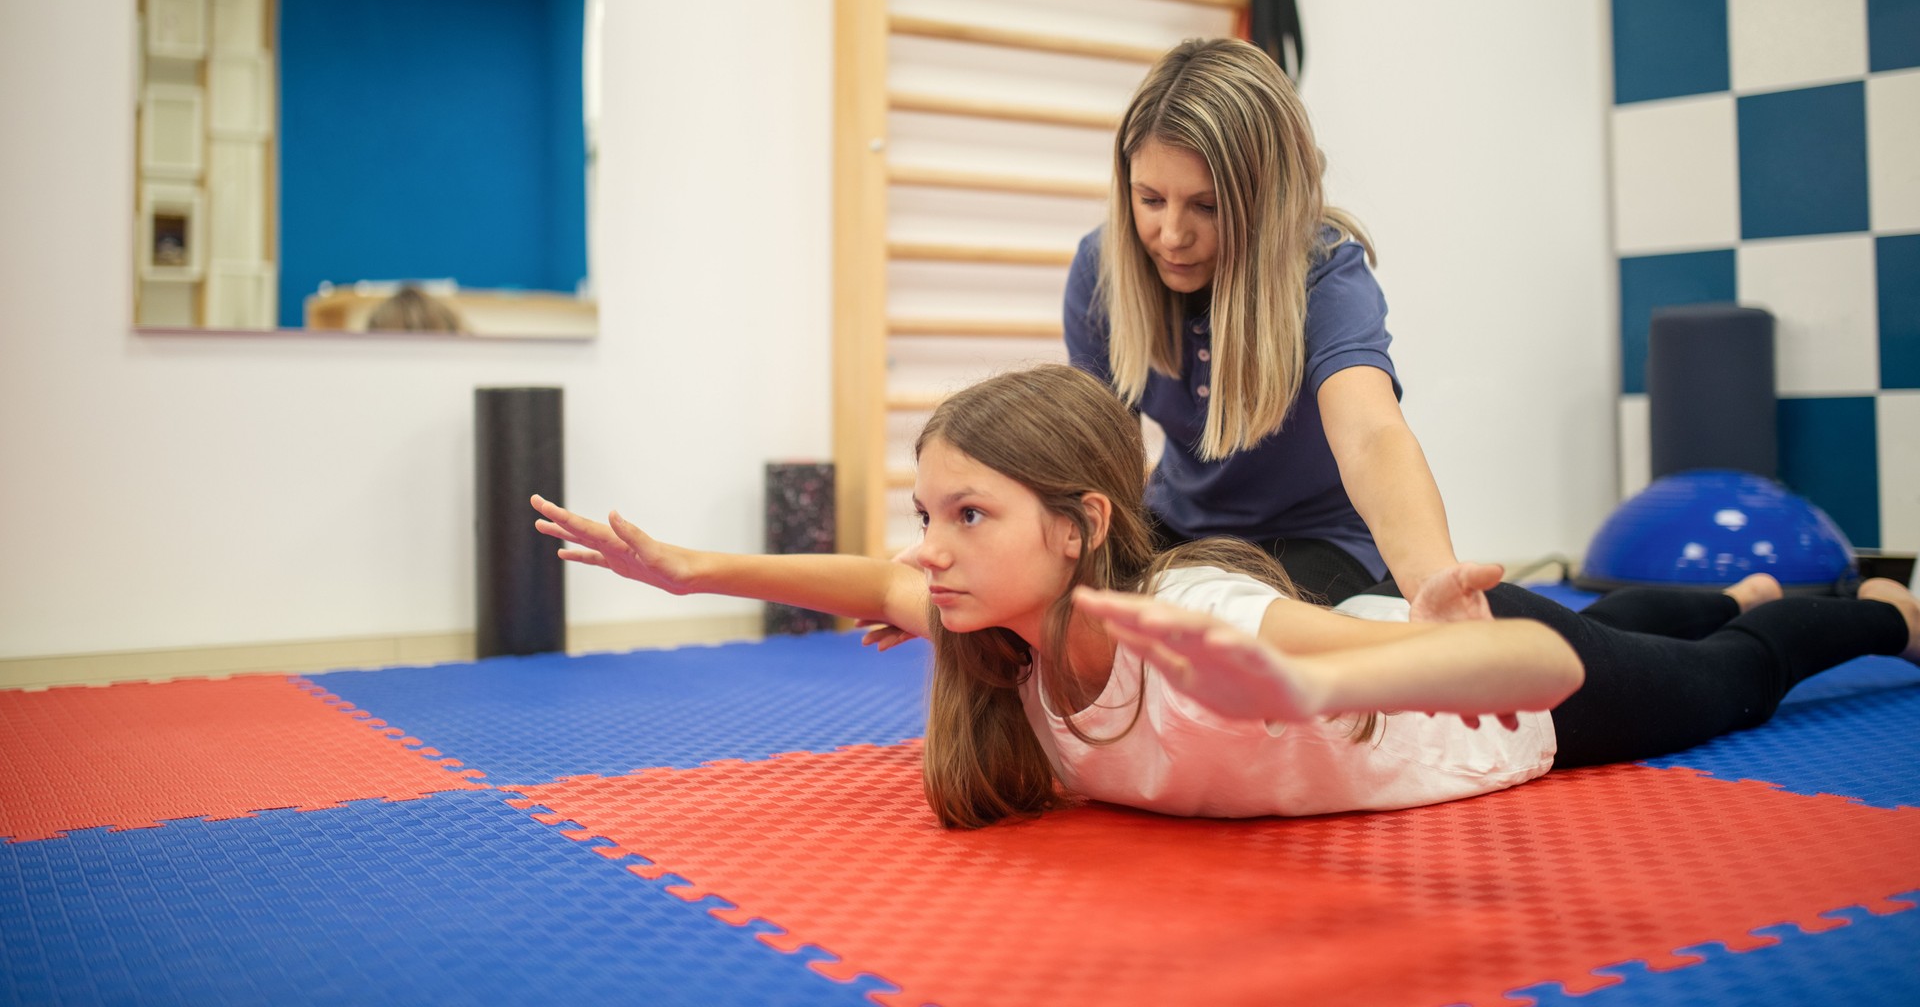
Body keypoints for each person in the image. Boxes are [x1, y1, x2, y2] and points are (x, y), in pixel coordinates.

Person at [530, 364, 1917, 831]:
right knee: (1651, 617)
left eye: (969, 516)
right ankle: (1713, 588)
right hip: (1473, 652)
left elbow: (1531, 680)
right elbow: (866, 581)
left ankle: (1882, 612)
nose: (930, 552)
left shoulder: (1202, 614)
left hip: (1510, 705)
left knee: (1736, 671)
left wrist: (1311, 685)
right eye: (926, 516)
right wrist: (698, 568)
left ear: (1078, 531)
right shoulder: (1006, 636)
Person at [1066, 37, 1458, 605]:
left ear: (1267, 202)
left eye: (1207, 207)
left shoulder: (1325, 279)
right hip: (1176, 526)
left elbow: (1373, 437)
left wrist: (1434, 587)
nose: (1172, 236)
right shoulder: (1101, 271)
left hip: (1315, 539)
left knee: (1234, 628)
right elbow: (1093, 456)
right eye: (1151, 200)